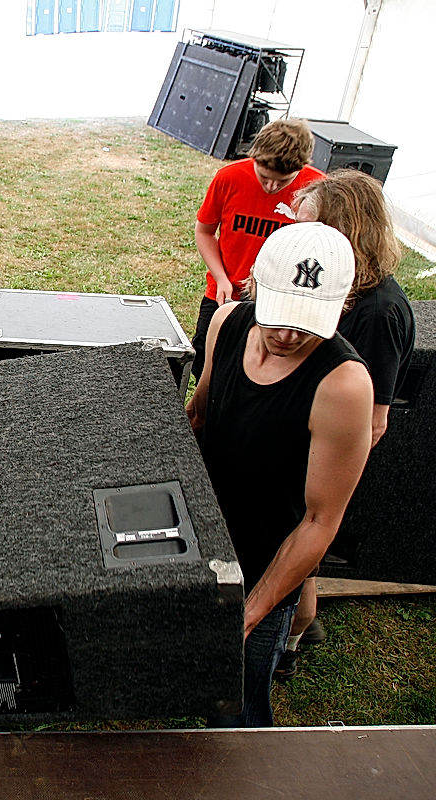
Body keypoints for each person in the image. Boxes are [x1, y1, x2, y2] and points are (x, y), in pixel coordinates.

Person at [186, 222, 373, 727]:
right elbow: (199, 417)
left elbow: (319, 520)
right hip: (200, 537)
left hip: (267, 563)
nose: (288, 335)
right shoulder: (226, 323)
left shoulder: (344, 385)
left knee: (239, 709)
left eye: (308, 323)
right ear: (254, 286)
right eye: (280, 316)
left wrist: (251, 611)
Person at [275, 169, 417, 680]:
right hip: (298, 441)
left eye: (310, 228)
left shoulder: (379, 314)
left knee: (298, 566)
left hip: (318, 459)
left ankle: (286, 646)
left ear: (345, 233)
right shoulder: (341, 289)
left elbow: (372, 421)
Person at [191, 118, 325, 380]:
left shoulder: (318, 188)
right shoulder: (228, 177)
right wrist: (220, 278)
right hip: (226, 291)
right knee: (205, 359)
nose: (272, 187)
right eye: (264, 177)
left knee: (264, 367)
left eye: (283, 181)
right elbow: (205, 231)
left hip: (282, 297)